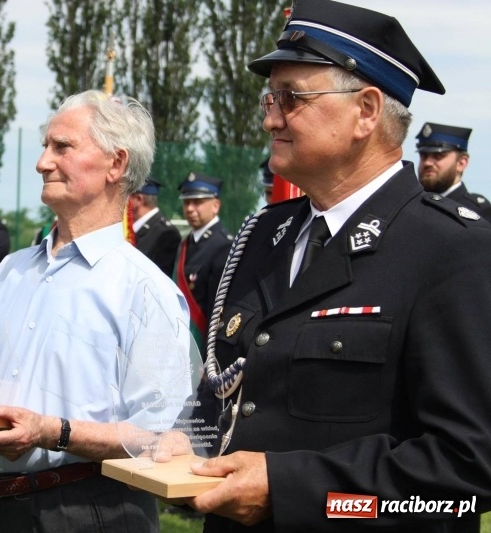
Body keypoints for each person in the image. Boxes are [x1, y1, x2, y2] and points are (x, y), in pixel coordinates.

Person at [184, 1, 491, 531]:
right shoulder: (262, 236)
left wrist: (290, 490)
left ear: (366, 111)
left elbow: (468, 470)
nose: (270, 118)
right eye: (270, 98)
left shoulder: (451, 250)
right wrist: (188, 440)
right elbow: (236, 393)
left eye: (291, 98)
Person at [0, 90, 190, 533]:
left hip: (91, 510)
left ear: (116, 164)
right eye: (45, 146)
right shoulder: (7, 273)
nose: (42, 162)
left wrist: (52, 431)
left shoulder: (145, 290)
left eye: (62, 147)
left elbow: (158, 434)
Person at [173, 172, 233, 345]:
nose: (190, 208)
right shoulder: (185, 244)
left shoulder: (224, 246)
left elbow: (220, 309)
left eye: (197, 202)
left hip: (204, 344)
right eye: (186, 202)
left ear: (215, 205)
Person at [416, 122, 491, 219]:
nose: (427, 163)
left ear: (461, 163)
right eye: (424, 156)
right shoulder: (411, 204)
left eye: (438, 156)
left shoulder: (478, 211)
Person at [129, 177, 181, 277]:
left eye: (125, 197)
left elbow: (161, 278)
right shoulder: (130, 229)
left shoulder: (166, 233)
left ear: (138, 199)